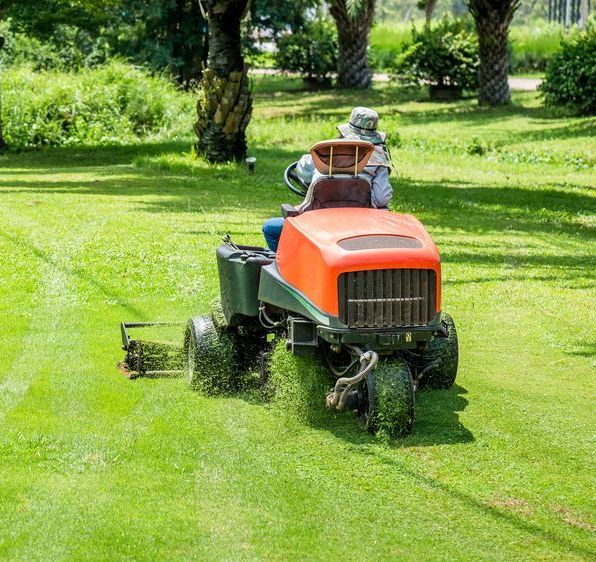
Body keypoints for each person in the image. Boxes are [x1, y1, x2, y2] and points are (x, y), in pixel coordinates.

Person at [262, 107, 394, 252]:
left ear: (346, 132)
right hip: (360, 225)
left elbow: (303, 172)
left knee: (270, 228)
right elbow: (381, 198)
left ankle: (286, 265)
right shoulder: (379, 163)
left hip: (316, 224)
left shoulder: (325, 151)